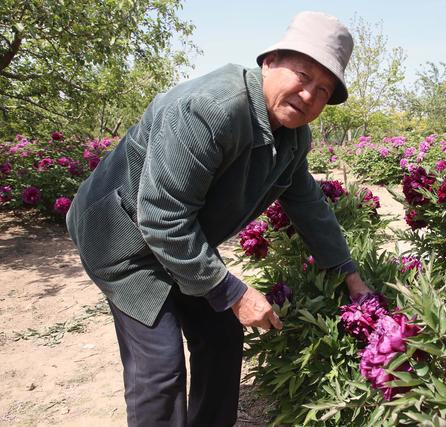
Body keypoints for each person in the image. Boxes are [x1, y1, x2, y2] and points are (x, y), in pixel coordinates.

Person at [66, 10, 371, 427]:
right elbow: (161, 218)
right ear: (270, 61)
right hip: (122, 237)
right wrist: (235, 292)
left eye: (323, 90)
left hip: (181, 236)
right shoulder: (209, 109)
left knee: (222, 337)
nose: (308, 96)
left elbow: (308, 204)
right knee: (160, 370)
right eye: (302, 75)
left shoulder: (294, 136)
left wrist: (346, 270)